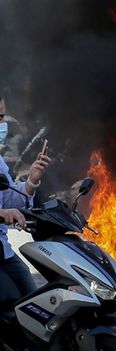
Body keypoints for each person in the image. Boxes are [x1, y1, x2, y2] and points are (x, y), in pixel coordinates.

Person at [0, 96, 50, 307]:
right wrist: (2, 214)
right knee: (10, 306)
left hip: (3, 250)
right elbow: (4, 210)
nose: (2, 123)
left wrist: (31, 180)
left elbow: (9, 197)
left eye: (1, 116)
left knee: (34, 304)